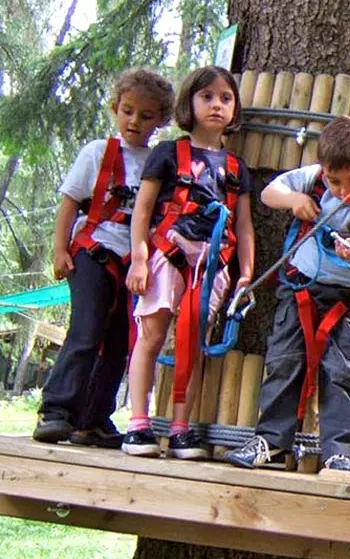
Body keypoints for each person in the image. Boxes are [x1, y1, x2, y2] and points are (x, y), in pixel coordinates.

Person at [225, 116, 350, 472]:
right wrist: (296, 199)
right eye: (335, 181)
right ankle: (272, 441)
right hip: (299, 290)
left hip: (345, 301)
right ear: (323, 169)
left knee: (343, 371)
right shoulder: (313, 179)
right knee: (284, 361)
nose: (343, 190)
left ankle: (339, 450)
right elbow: (269, 193)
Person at [33, 69, 174, 448]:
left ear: (161, 120)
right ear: (115, 108)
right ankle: (56, 410)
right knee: (86, 328)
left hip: (135, 262)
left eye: (146, 115)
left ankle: (92, 419)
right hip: (93, 252)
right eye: (127, 111)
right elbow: (70, 202)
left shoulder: (160, 161)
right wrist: (59, 249)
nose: (134, 121)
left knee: (119, 341)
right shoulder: (98, 152)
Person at [123, 66, 255, 459]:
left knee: (192, 342)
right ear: (189, 103)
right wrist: (139, 259)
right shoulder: (168, 153)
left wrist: (246, 272)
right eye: (207, 97)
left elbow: (243, 224)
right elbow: (143, 209)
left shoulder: (236, 168)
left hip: (213, 264)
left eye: (226, 99)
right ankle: (138, 423)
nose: (217, 105)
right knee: (151, 336)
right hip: (169, 254)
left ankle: (181, 428)